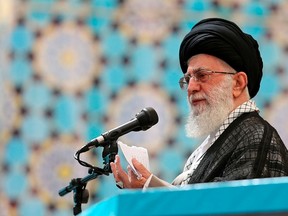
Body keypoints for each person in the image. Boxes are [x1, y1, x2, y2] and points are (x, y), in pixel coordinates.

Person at [110, 17, 288, 189]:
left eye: (202, 75)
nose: (191, 88)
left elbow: (231, 207)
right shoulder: (212, 145)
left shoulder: (255, 136)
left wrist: (150, 186)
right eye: (188, 79)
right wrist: (147, 189)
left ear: (238, 83)